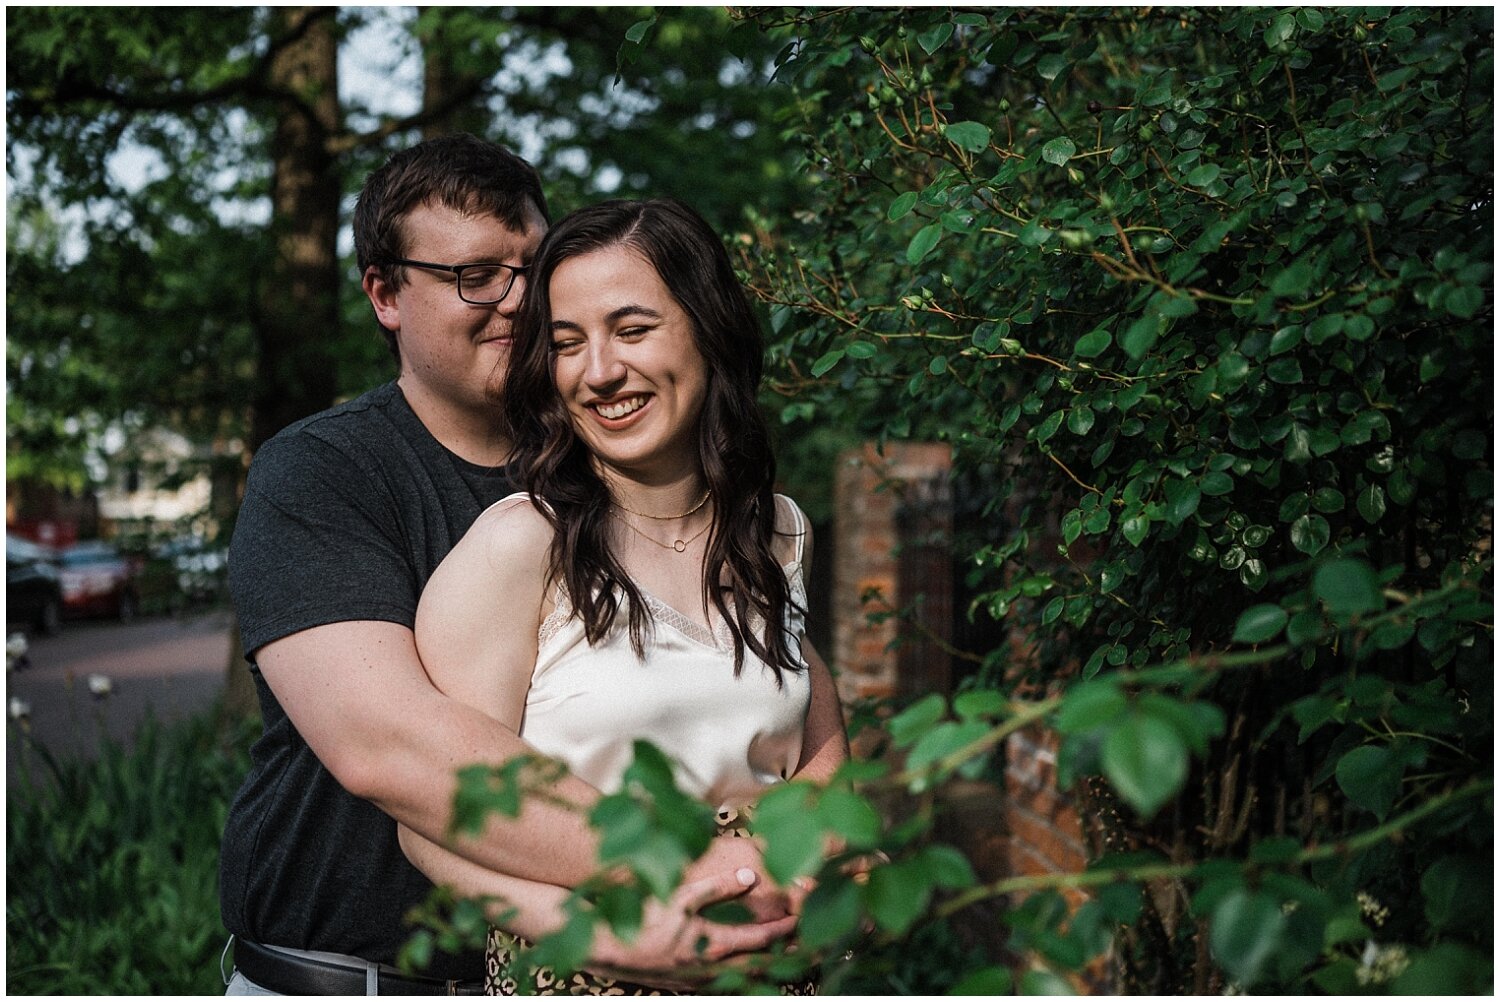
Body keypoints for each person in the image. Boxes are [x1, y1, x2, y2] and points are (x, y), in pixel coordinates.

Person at [221, 136, 825, 995]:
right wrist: (699, 872)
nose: (514, 302)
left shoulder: (629, 471)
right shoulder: (324, 475)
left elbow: (803, 716)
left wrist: (816, 851)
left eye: (531, 270)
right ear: (385, 294)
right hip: (364, 977)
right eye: (474, 277)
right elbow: (394, 752)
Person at [395, 198, 848, 995]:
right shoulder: (520, 546)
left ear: (708, 328)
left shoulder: (777, 531)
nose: (598, 372)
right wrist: (590, 937)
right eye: (568, 344)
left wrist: (828, 866)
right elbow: (428, 824)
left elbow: (816, 748)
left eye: (631, 330)